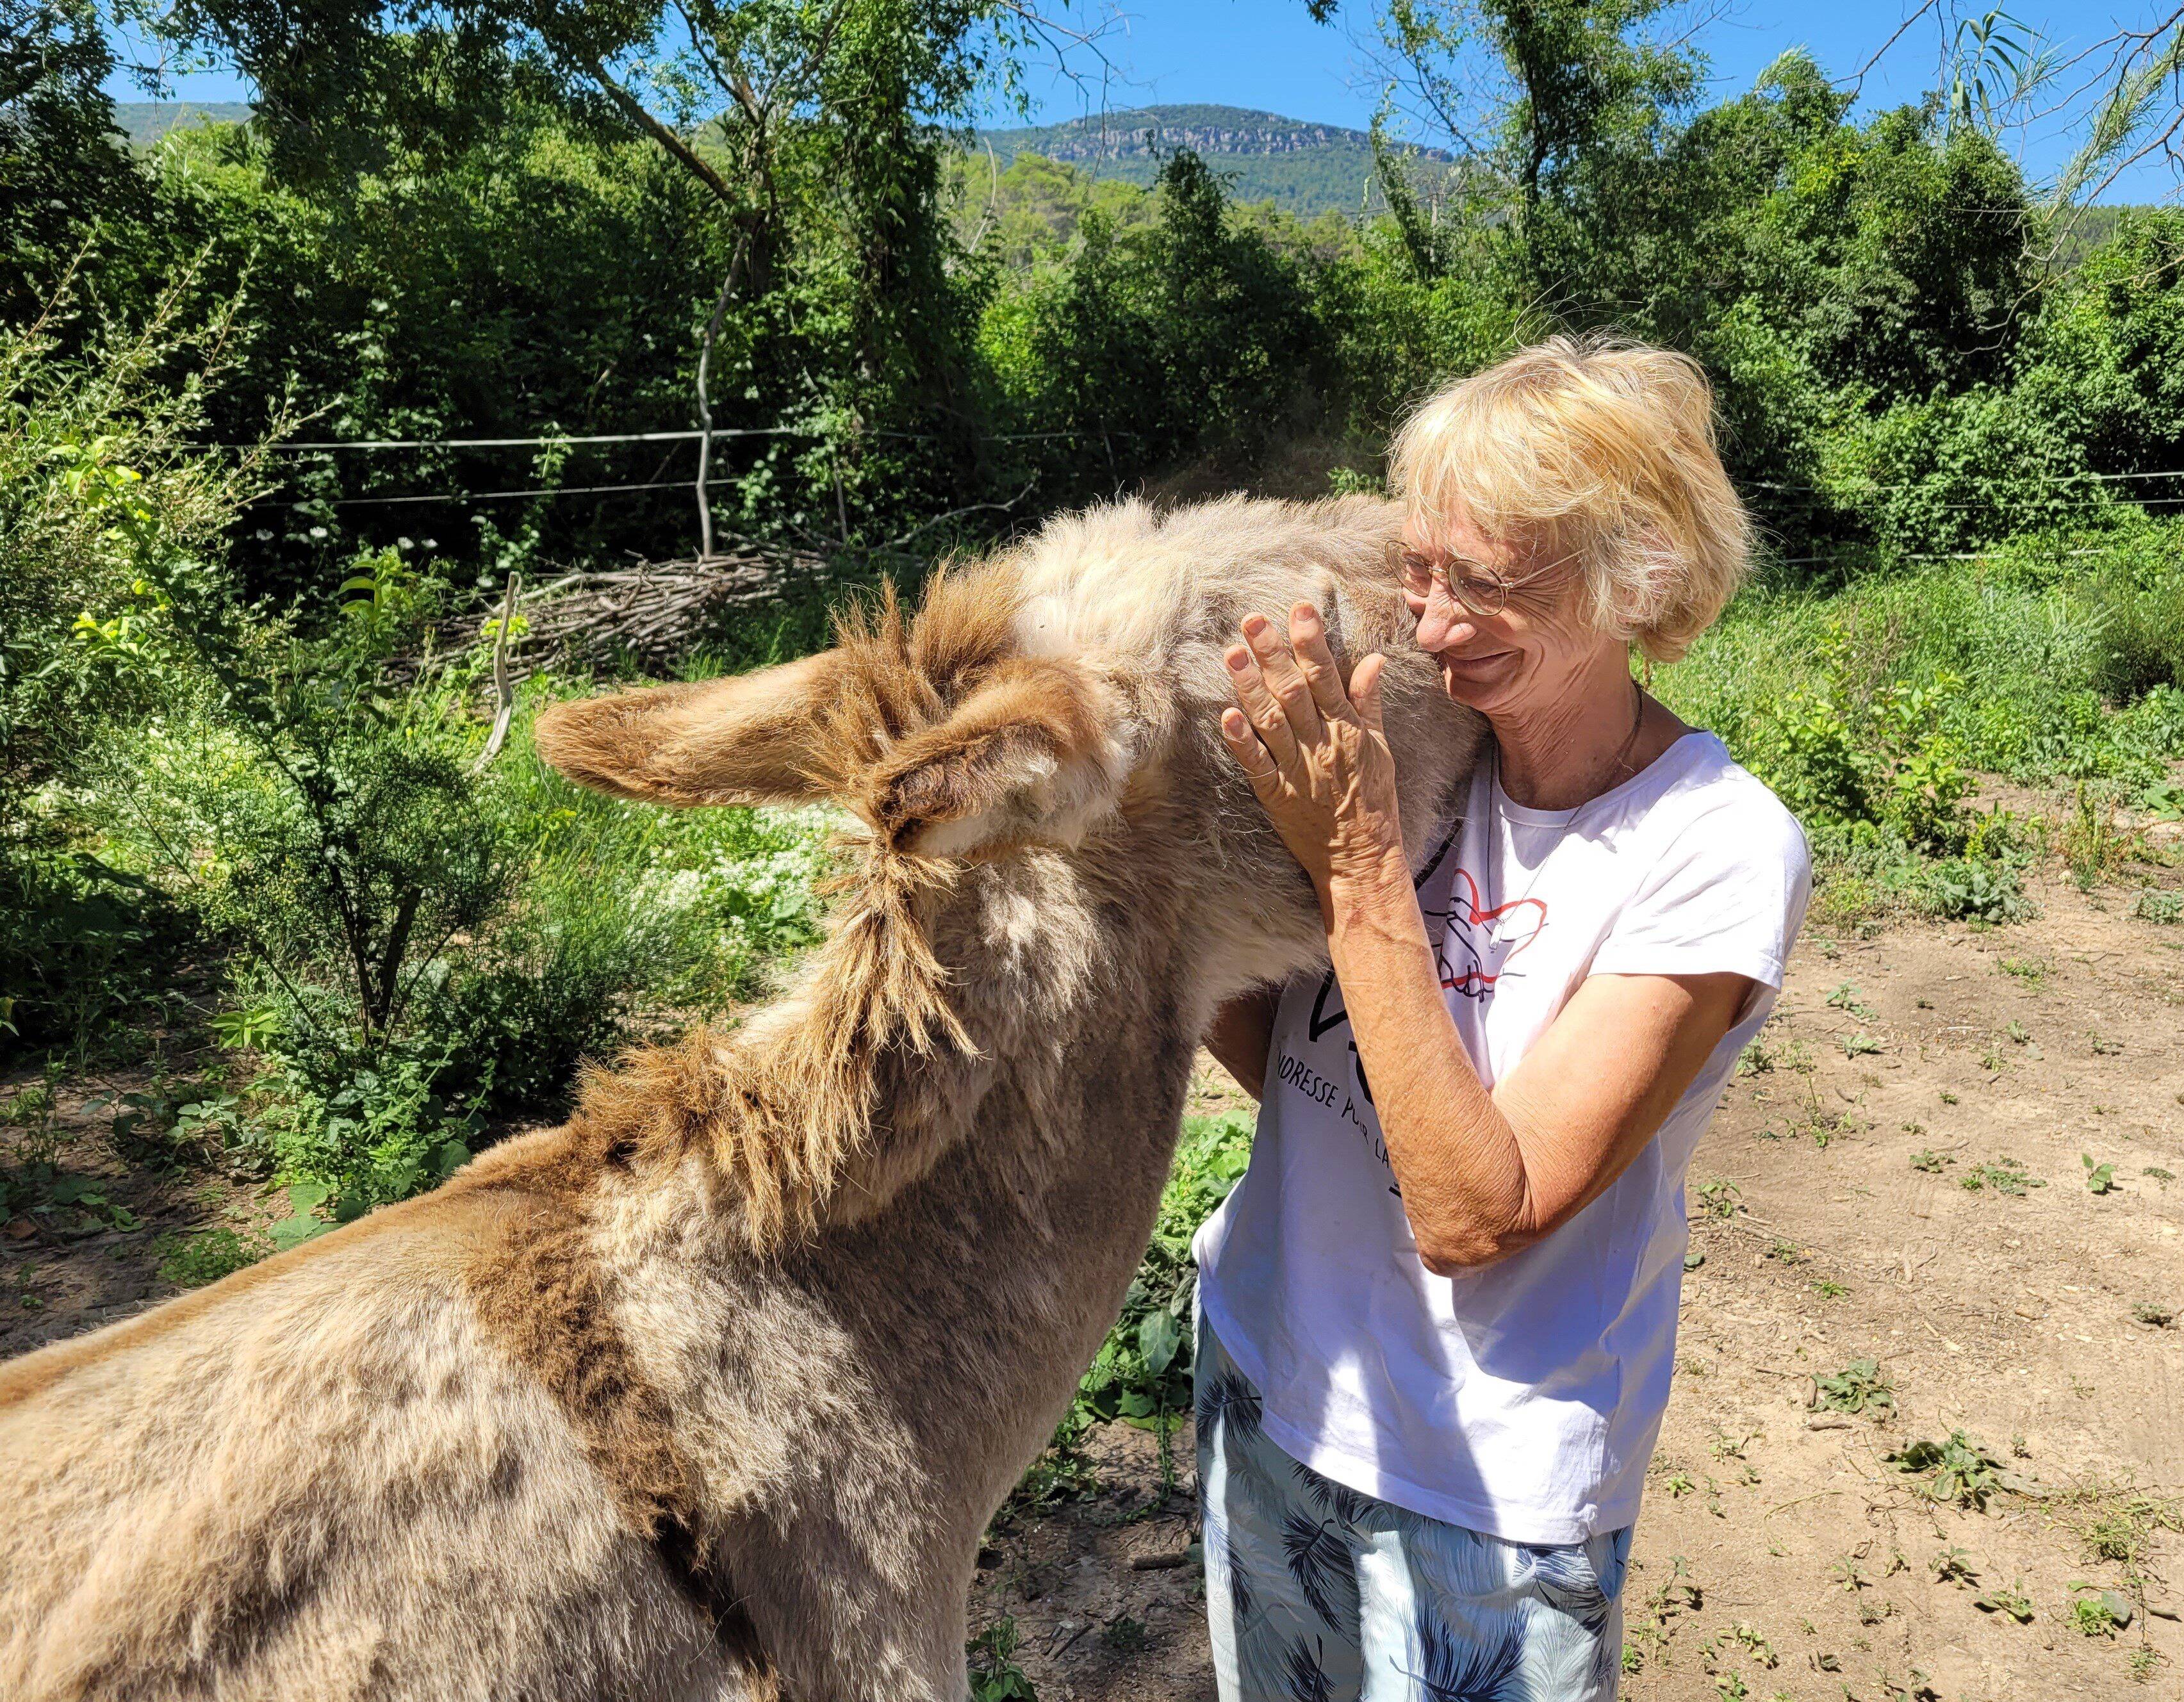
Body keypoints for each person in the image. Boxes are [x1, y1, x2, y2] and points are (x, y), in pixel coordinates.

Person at [1194, 334, 1811, 1701]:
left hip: (1481, 1483)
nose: (1425, 625)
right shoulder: (1419, 754)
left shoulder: (1710, 845)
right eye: (1419, 568)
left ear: (1635, 575)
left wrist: (1352, 863)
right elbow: (1293, 1069)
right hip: (1266, 1377)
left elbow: (1477, 1210)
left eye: (1480, 584)